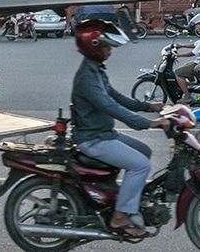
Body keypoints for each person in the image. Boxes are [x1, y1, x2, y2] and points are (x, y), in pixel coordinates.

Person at [68, 19, 167, 237]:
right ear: (93, 47)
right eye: (105, 47)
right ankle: (120, 216)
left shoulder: (95, 70)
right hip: (93, 139)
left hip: (103, 134)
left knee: (145, 152)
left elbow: (116, 97)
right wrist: (148, 123)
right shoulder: (87, 77)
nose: (109, 51)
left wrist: (147, 106)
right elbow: (110, 106)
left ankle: (119, 195)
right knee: (140, 165)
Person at [172, 21, 200, 104]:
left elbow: (194, 52)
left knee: (178, 73)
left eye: (198, 26)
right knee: (187, 65)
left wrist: (179, 55)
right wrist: (182, 45)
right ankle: (191, 88)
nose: (196, 28)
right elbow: (196, 44)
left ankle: (187, 97)